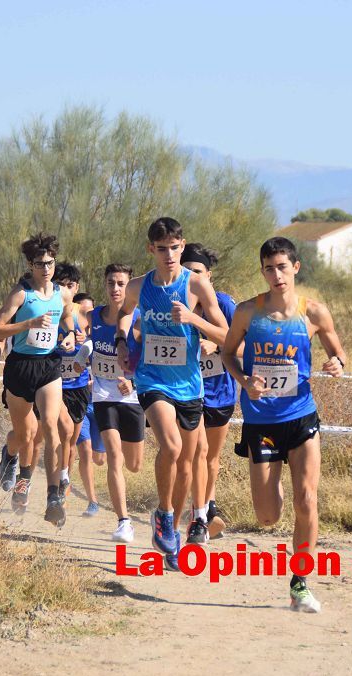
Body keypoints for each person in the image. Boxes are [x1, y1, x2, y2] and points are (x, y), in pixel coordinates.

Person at [221, 236, 346, 614]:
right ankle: (272, 503)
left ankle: (300, 584)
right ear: (262, 272)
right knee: (267, 515)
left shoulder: (314, 313)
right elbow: (227, 353)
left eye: (282, 267)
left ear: (296, 267)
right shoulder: (247, 313)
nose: (276, 275)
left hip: (302, 415)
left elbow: (339, 352)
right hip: (262, 421)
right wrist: (245, 382)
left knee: (307, 499)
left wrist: (338, 363)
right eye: (268, 268)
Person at [116, 218, 228, 568]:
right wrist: (122, 341)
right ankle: (163, 513)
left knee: (186, 468)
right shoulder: (138, 286)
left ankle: (173, 534)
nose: (169, 255)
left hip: (190, 384)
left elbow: (226, 334)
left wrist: (194, 321)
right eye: (161, 248)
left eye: (175, 247)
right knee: (173, 447)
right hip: (152, 380)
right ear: (151, 249)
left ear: (183, 245)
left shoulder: (196, 286)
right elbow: (123, 313)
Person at [0, 234, 75, 526]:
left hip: (48, 366)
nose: (46, 268)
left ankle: (52, 497)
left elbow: (67, 316)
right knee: (23, 437)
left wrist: (71, 334)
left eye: (50, 262)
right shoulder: (20, 294)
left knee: (50, 425)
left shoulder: (62, 293)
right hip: (21, 367)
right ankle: (10, 455)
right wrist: (28, 324)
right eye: (40, 264)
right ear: (30, 265)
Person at [181, 243, 237, 541]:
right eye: (187, 272)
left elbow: (242, 344)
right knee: (197, 452)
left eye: (198, 272)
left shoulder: (224, 305)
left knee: (211, 457)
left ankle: (207, 504)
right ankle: (199, 514)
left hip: (221, 391)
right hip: (188, 392)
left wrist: (216, 344)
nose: (193, 277)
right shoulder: (175, 303)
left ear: (209, 276)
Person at [89, 263, 145, 543]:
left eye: (121, 284)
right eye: (111, 283)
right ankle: (124, 521)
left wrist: (133, 382)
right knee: (114, 455)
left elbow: (152, 360)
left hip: (133, 398)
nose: (115, 289)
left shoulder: (138, 320)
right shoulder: (93, 316)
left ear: (129, 286)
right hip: (103, 395)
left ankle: (128, 517)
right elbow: (85, 344)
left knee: (134, 464)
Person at [53, 264, 91, 501]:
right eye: (61, 285)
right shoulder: (49, 309)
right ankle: (58, 479)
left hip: (78, 383)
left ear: (76, 288)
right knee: (61, 434)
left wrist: (86, 339)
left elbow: (98, 339)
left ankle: (64, 480)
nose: (66, 290)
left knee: (72, 440)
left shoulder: (84, 313)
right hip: (53, 382)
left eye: (70, 285)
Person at [76, 404, 106, 517]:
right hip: (80, 403)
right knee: (85, 449)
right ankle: (92, 501)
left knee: (99, 460)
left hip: (101, 404)